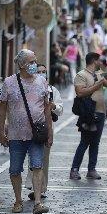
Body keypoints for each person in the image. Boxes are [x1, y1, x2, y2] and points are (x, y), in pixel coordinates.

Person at [0, 49, 53, 214]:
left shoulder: (42, 81)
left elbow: (47, 109)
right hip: (15, 135)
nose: (34, 65)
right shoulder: (9, 82)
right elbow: (2, 109)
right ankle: (18, 200)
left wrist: (50, 133)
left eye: (35, 61)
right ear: (21, 65)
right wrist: (1, 131)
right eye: (31, 62)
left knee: (37, 166)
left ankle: (37, 203)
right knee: (15, 169)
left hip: (36, 134)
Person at [70, 52, 107, 180]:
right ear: (94, 61)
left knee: (95, 143)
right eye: (99, 60)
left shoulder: (99, 73)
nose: (101, 62)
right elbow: (80, 92)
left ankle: (91, 169)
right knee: (84, 142)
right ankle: (74, 169)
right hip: (88, 113)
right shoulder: (81, 75)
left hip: (101, 112)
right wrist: (97, 85)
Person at [25, 64, 64, 201]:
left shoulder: (52, 90)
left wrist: (53, 106)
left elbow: (60, 108)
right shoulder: (28, 88)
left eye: (44, 72)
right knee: (33, 158)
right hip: (29, 126)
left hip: (45, 127)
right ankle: (33, 186)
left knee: (44, 159)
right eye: (39, 71)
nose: (42, 74)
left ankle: (40, 189)